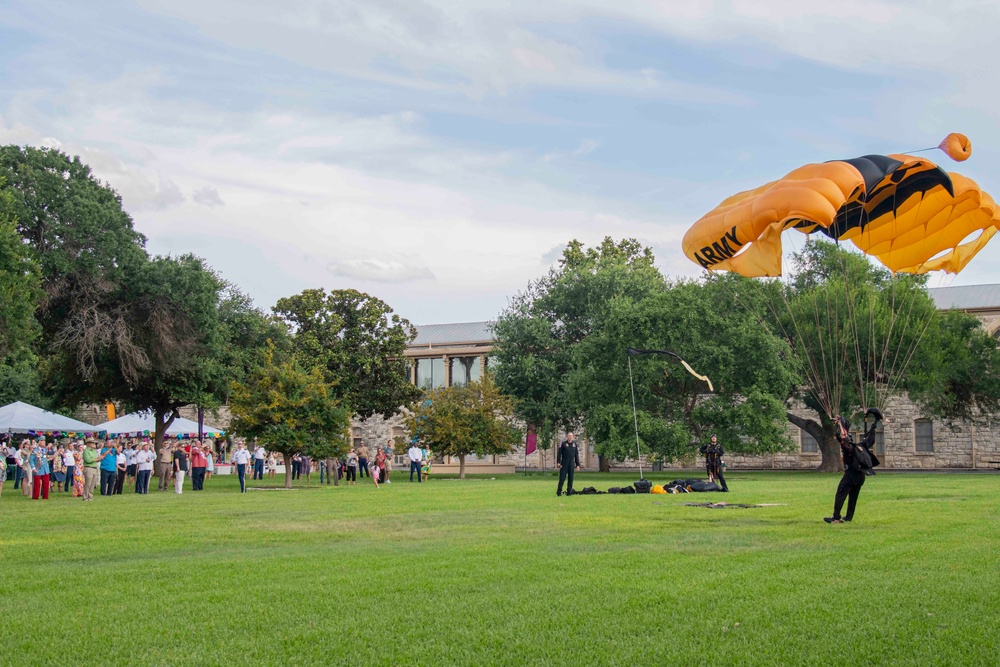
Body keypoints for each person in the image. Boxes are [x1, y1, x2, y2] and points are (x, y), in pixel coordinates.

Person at [825, 411, 881, 524]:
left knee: (840, 493)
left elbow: (844, 444)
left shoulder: (849, 449)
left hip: (851, 475)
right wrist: (874, 426)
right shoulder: (860, 446)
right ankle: (849, 517)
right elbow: (871, 439)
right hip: (861, 476)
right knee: (853, 496)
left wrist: (838, 434)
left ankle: (836, 517)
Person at [556, 433, 580, 497]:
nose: (570, 437)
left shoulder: (574, 445)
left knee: (571, 478)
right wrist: (558, 462)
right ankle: (559, 492)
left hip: (571, 463)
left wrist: (577, 465)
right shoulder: (563, 444)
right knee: (562, 478)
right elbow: (559, 453)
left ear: (573, 437)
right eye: (569, 436)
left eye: (571, 436)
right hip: (564, 463)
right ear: (567, 436)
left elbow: (576, 455)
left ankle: (569, 492)